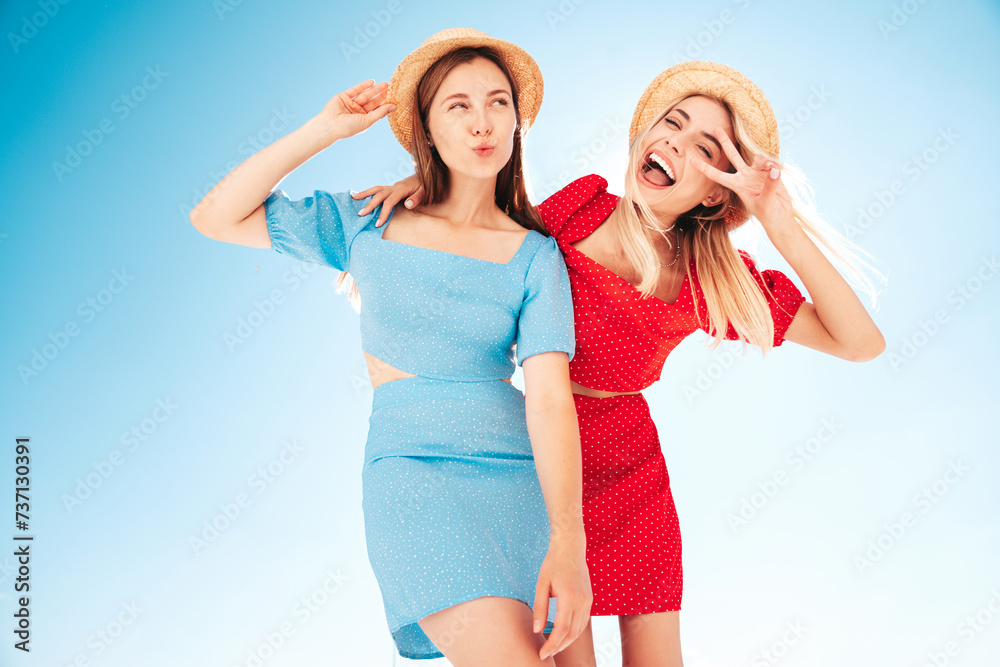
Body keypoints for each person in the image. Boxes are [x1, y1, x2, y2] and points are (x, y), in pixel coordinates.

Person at [356, 60, 885, 667]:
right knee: (564, 653)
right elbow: (490, 231)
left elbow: (859, 343)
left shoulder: (709, 280)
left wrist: (776, 219)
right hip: (538, 461)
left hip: (632, 470)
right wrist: (426, 188)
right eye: (673, 124)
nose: (676, 143)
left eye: (705, 148)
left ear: (716, 192)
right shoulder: (581, 205)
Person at [189, 27, 592, 666]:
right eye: (458, 105)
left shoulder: (536, 255)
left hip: (522, 482)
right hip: (413, 474)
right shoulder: (369, 222)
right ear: (427, 129)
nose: (482, 121)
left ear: (517, 122)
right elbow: (216, 216)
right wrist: (324, 131)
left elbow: (548, 401)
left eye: (498, 102)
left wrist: (569, 544)